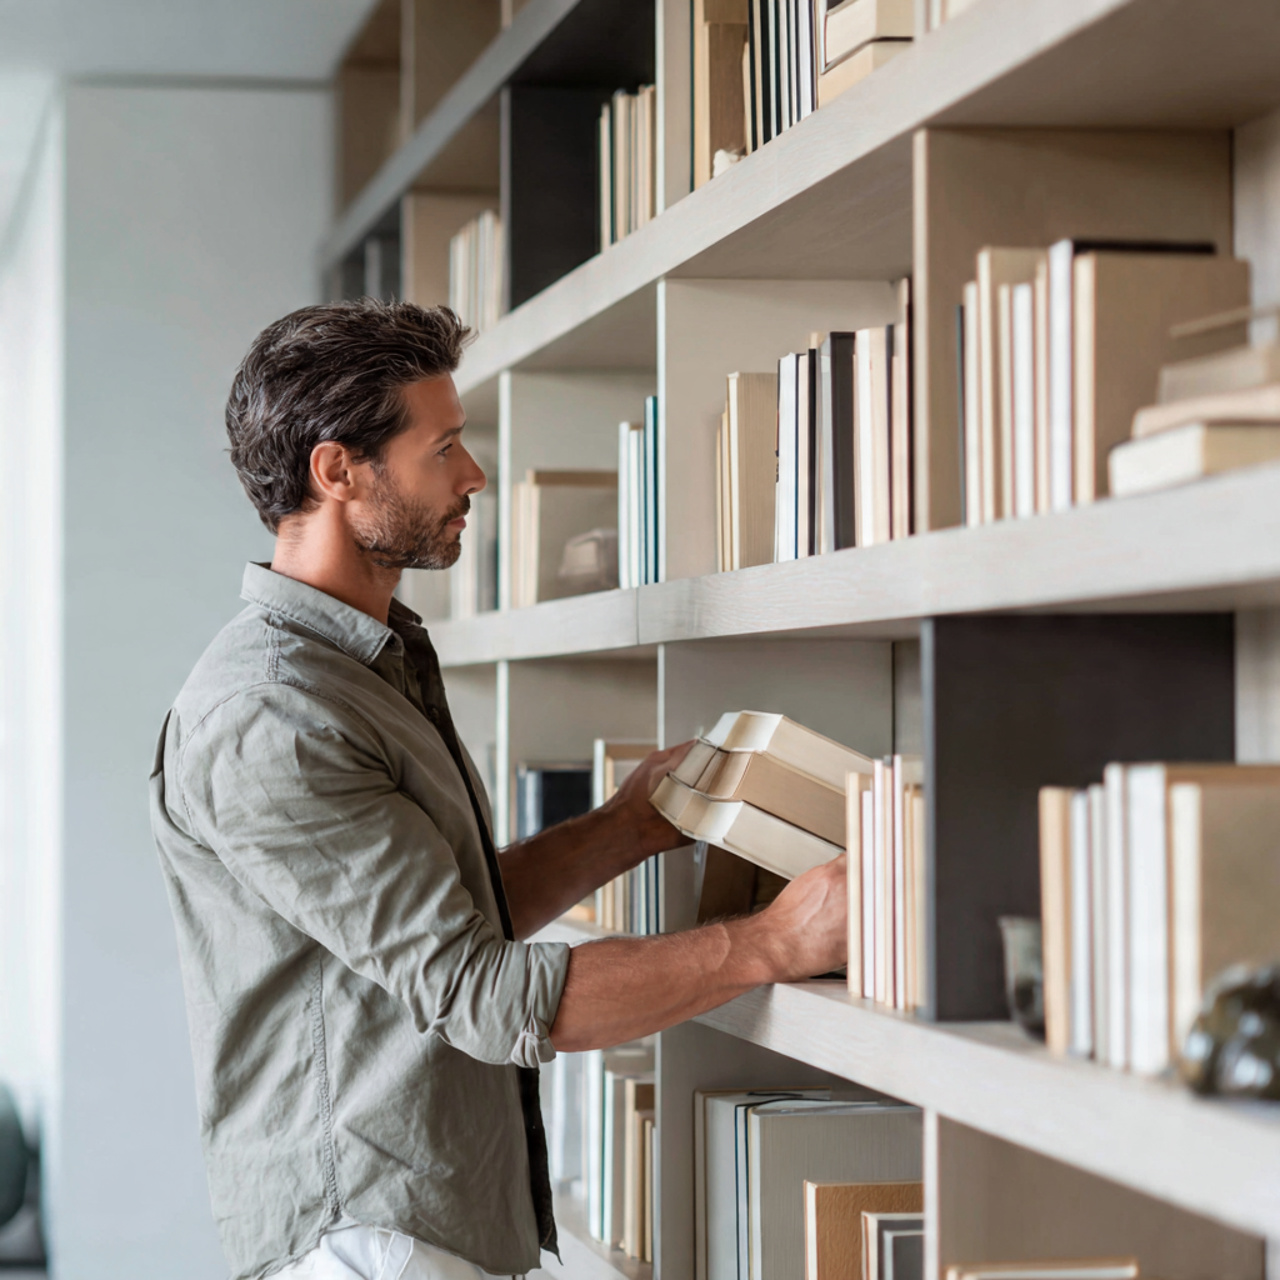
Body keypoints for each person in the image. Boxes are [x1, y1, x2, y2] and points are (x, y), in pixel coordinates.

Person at [150, 299, 847, 1280]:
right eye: (445, 446)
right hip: (370, 1237)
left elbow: (451, 919)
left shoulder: (368, 665)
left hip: (425, 1215)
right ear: (337, 469)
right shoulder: (275, 715)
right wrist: (772, 943)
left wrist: (626, 826)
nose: (472, 474)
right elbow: (481, 991)